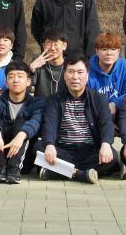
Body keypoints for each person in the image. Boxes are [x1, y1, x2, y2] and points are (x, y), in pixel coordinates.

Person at [40, 56, 120, 184]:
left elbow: (106, 124)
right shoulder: (54, 99)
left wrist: (105, 144)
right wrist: (50, 145)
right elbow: (49, 124)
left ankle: (60, 171)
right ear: (64, 75)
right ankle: (82, 174)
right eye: (71, 72)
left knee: (112, 156)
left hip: (90, 150)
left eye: (80, 72)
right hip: (63, 150)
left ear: (87, 76)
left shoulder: (99, 98)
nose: (75, 77)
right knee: (39, 148)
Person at [0, 59, 45, 184]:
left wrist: (21, 135)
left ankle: (14, 169)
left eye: (20, 76)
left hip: (23, 161)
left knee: (22, 124)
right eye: (11, 77)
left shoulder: (36, 103)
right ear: (6, 82)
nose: (15, 80)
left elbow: (37, 120)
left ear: (28, 82)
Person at [88, 32, 126, 117]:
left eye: (113, 49)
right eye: (104, 49)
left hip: (122, 111)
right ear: (97, 51)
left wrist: (115, 103)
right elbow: (86, 96)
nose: (109, 53)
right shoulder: (87, 69)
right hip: (95, 113)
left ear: (118, 51)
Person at [30, 28, 69, 98]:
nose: (52, 48)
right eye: (49, 43)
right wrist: (31, 70)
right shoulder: (38, 66)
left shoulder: (70, 67)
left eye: (56, 44)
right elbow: (24, 91)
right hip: (41, 104)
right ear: (43, 46)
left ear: (64, 46)